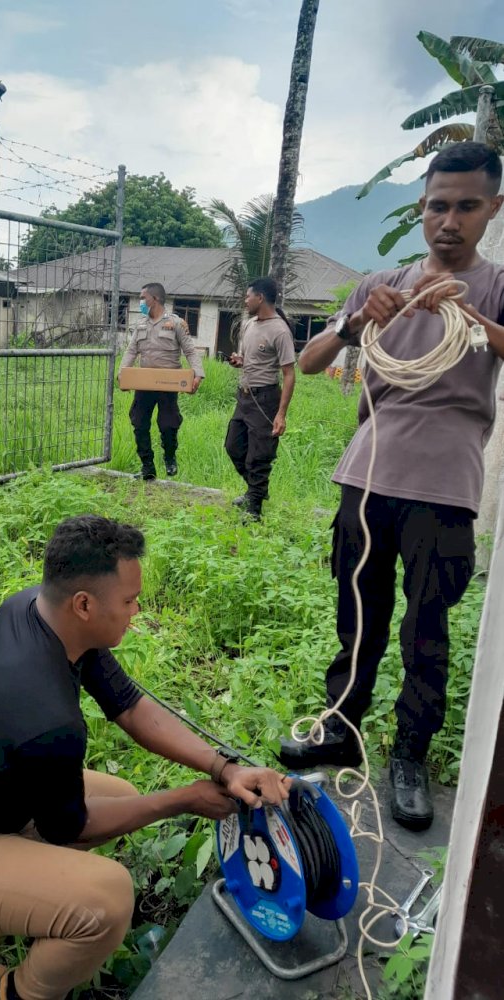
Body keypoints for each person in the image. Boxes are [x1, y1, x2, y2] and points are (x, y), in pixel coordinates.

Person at [0, 515, 291, 1000]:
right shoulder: (46, 716)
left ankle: (7, 908)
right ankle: (15, 992)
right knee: (108, 900)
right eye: (127, 601)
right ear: (84, 604)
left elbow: (127, 703)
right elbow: (71, 827)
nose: (137, 609)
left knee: (120, 796)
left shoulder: (38, 612)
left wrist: (224, 768)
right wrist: (183, 799)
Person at [279, 142, 504, 832]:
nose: (450, 220)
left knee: (425, 630)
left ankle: (410, 753)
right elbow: (313, 360)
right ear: (420, 209)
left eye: (468, 206)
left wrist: (470, 322)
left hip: (446, 488)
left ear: (492, 209)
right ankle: (341, 726)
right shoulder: (380, 281)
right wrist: (357, 320)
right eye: (438, 205)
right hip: (366, 477)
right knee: (358, 616)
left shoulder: (495, 287)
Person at [225, 277, 296, 521]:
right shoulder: (249, 325)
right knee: (233, 446)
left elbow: (288, 374)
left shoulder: (280, 330)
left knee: (260, 453)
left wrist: (281, 413)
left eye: (248, 296)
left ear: (260, 298)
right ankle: (256, 490)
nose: (245, 300)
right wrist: (239, 361)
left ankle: (254, 506)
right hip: (244, 397)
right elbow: (251, 360)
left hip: (265, 398)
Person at [119, 283, 204, 480]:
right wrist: (123, 374)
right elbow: (131, 351)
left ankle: (169, 457)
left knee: (168, 424)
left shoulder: (176, 323)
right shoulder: (140, 324)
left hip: (168, 384)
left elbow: (190, 351)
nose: (141, 302)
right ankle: (147, 467)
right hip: (144, 383)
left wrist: (197, 374)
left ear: (154, 299)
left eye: (143, 298)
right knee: (139, 422)